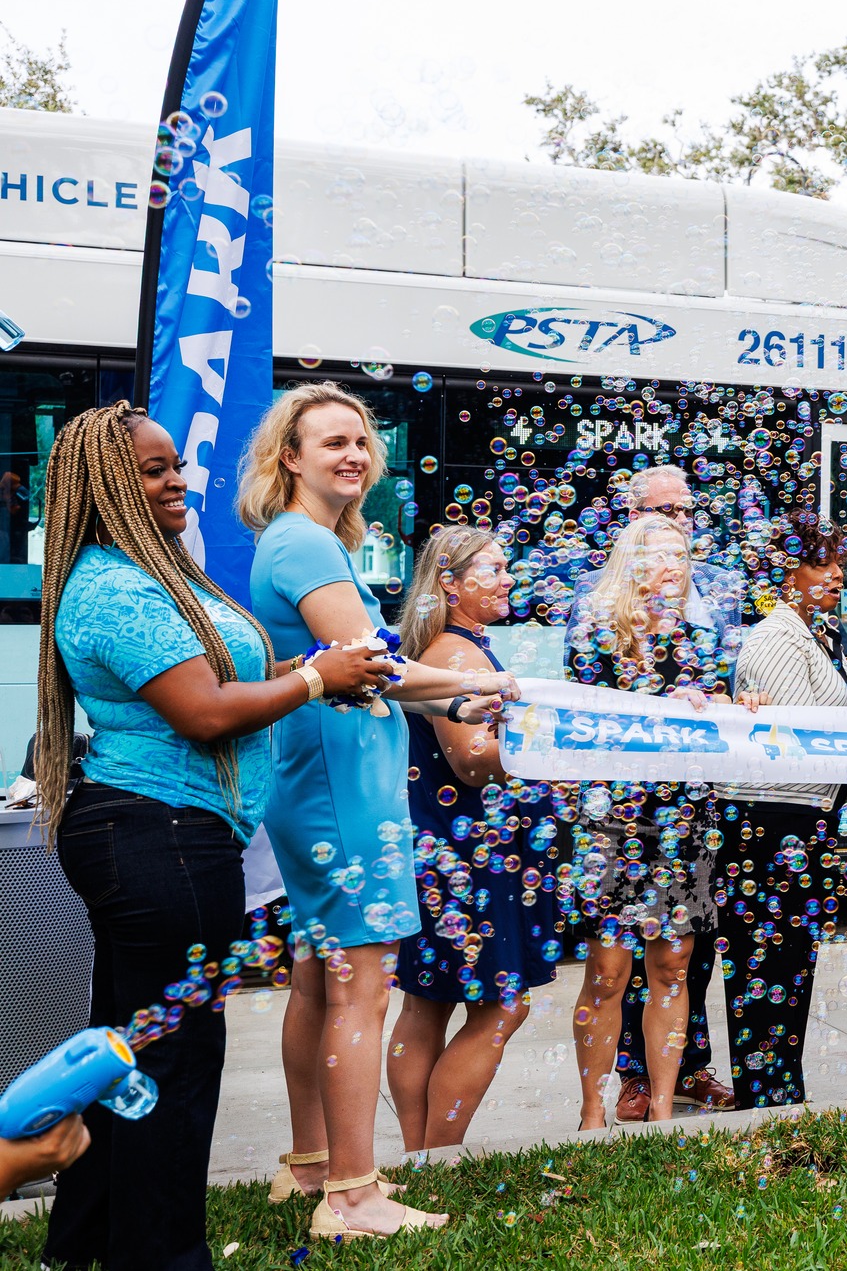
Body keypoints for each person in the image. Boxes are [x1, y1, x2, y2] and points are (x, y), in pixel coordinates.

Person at [32, 402, 390, 1269]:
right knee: (175, 1067)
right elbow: (200, 711)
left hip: (171, 836)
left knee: (127, 1054)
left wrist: (308, 676)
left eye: (175, 465)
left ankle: (82, 1246)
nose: (178, 479)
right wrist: (313, 675)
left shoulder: (152, 574)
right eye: (154, 470)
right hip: (157, 837)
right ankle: (161, 1255)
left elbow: (223, 672)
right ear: (109, 483)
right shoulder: (112, 586)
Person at [242, 382, 514, 1241]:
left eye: (362, 440)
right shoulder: (306, 546)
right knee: (362, 985)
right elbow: (370, 665)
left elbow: (375, 679)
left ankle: (313, 1163)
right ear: (289, 456)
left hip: (318, 779)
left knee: (323, 979)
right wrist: (477, 681)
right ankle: (353, 1197)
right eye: (333, 442)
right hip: (339, 791)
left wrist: (450, 705)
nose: (355, 454)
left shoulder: (303, 541)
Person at [562, 463, 739, 1119]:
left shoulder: (700, 634)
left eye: (680, 557)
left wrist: (727, 700)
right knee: (608, 972)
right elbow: (584, 720)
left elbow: (713, 707)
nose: (674, 567)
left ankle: (663, 1108)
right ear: (632, 559)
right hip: (614, 824)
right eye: (659, 555)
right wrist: (660, 700)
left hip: (683, 816)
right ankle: (591, 1108)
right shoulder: (597, 632)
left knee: (672, 965)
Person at [387, 527, 559, 1152]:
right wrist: (553, 749)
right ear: (449, 584)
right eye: (492, 570)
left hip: (451, 848)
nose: (509, 578)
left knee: (426, 1004)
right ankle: (438, 1156)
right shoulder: (457, 654)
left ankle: (416, 1158)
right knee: (500, 1007)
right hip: (470, 855)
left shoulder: (446, 648)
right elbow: (473, 762)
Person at [712, 509, 847, 1108]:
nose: (835, 576)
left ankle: (782, 1085)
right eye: (819, 564)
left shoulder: (820, 634)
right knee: (763, 962)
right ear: (785, 572)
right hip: (770, 823)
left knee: (792, 958)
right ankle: (762, 1091)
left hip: (804, 820)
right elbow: (795, 745)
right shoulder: (776, 637)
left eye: (839, 566)